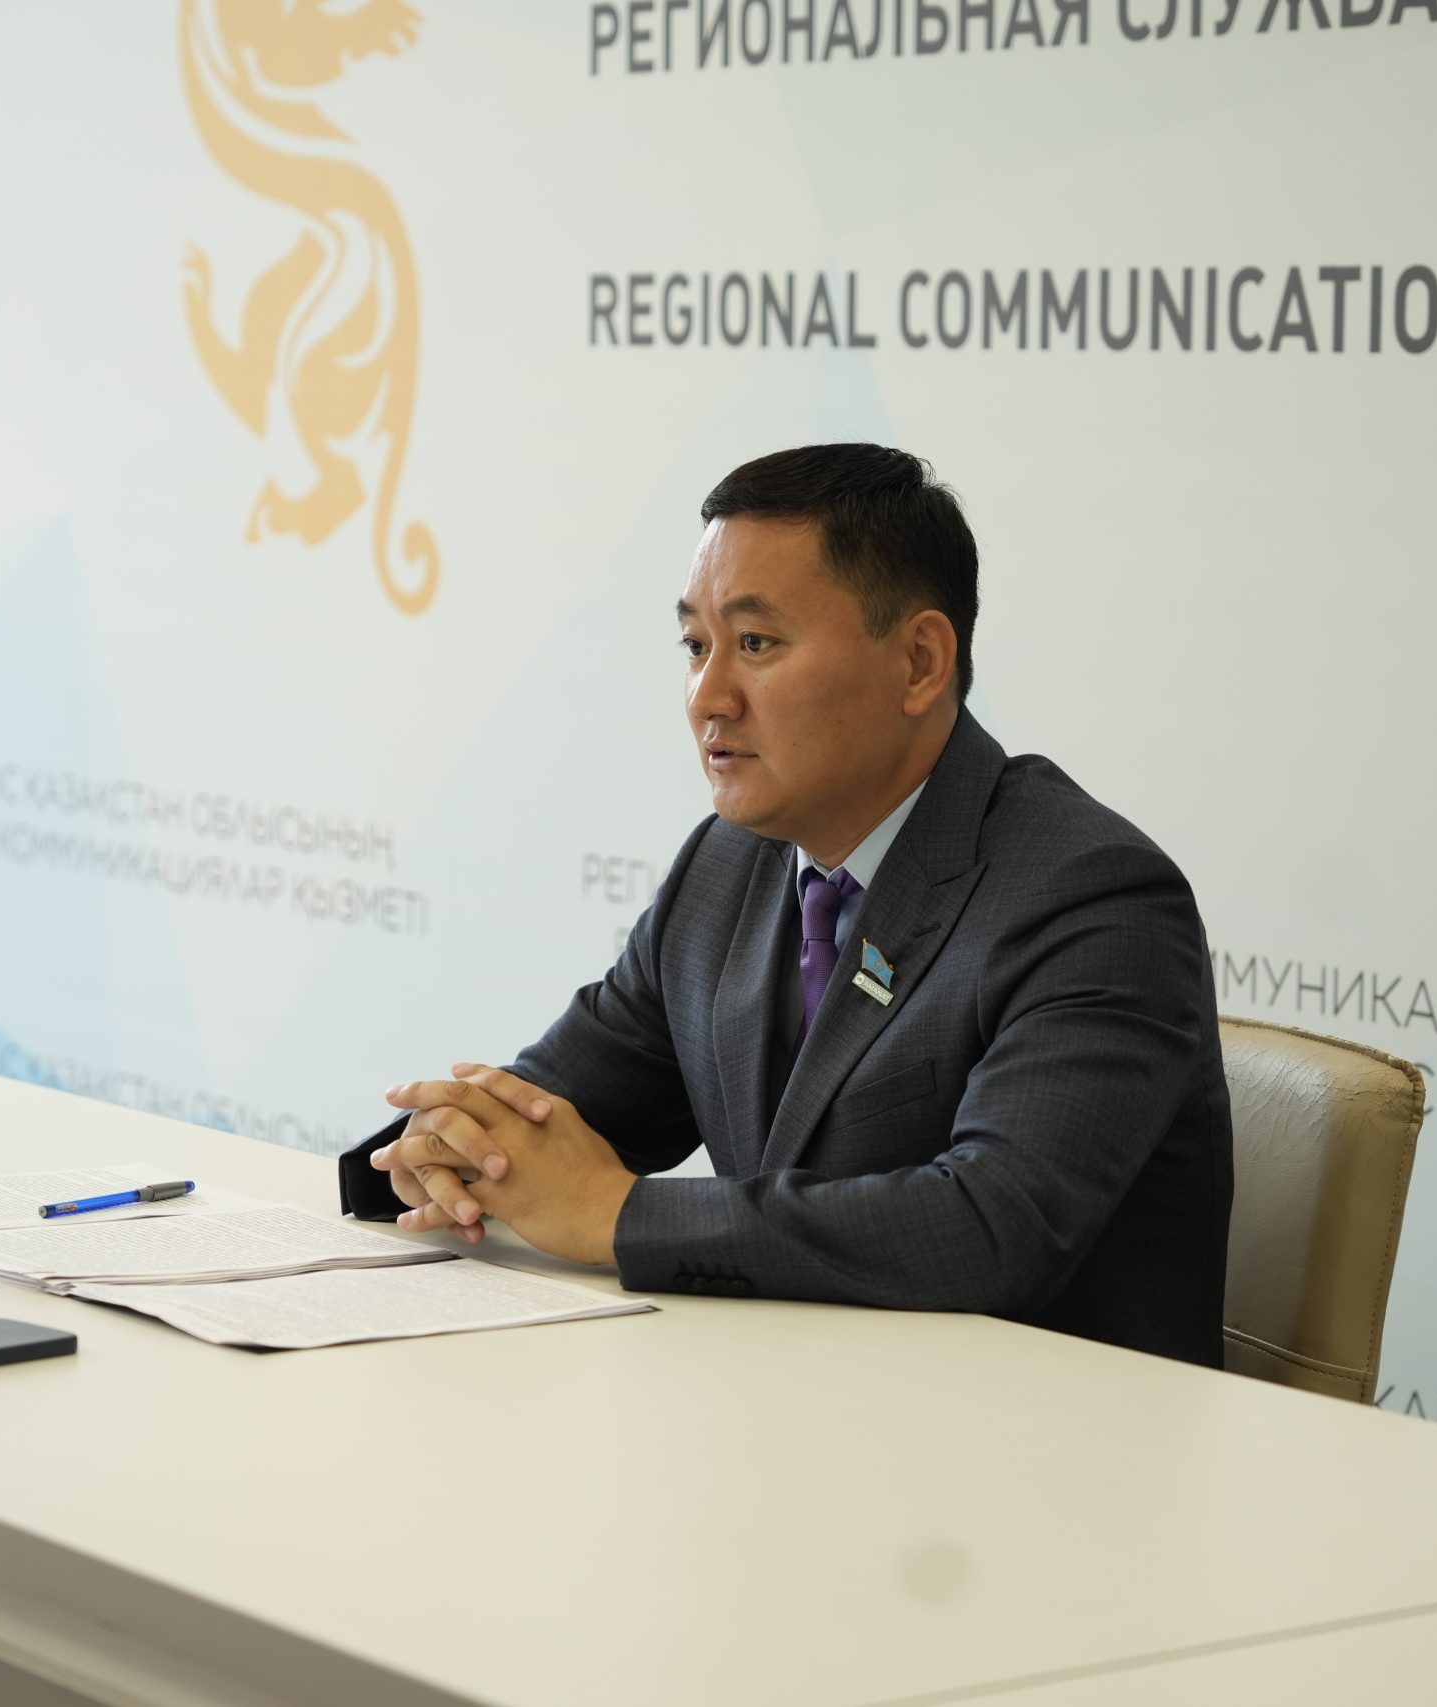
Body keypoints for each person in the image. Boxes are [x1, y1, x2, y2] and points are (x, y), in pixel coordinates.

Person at [340, 444, 1232, 1361]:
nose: (707, 697)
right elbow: (551, 1114)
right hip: (785, 1404)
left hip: (1037, 1433)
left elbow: (990, 1227)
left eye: (756, 644)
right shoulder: (726, 865)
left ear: (920, 662)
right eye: (696, 646)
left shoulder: (1094, 898)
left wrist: (621, 1215)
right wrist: (446, 1150)